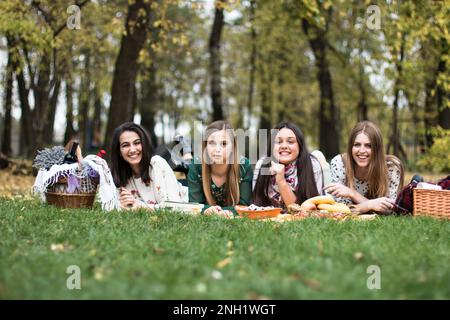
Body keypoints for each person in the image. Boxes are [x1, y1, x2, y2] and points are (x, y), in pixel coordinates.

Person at [324, 121, 404, 214]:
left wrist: (353, 194)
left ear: (377, 149)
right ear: (350, 147)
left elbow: (390, 210)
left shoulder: (392, 167)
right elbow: (342, 210)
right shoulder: (339, 164)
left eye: (368, 146)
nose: (362, 150)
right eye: (357, 145)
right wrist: (371, 204)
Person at [110, 122, 184, 210]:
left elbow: (174, 207)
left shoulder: (157, 163)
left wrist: (139, 206)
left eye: (137, 143)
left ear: (144, 145)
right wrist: (123, 205)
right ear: (119, 152)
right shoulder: (120, 174)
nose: (132, 150)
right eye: (125, 145)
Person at [188, 120, 253, 217]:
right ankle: (185, 155)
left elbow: (244, 205)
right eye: (212, 143)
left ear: (233, 147)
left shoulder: (243, 166)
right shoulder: (197, 166)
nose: (217, 149)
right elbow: (194, 204)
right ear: (205, 146)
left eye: (224, 144)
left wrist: (230, 212)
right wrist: (206, 210)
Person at [252, 121, 324, 209]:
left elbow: (309, 211)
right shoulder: (262, 164)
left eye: (290, 142)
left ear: (300, 145)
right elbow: (257, 203)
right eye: (278, 142)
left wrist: (281, 180)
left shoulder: (312, 164)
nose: (284, 146)